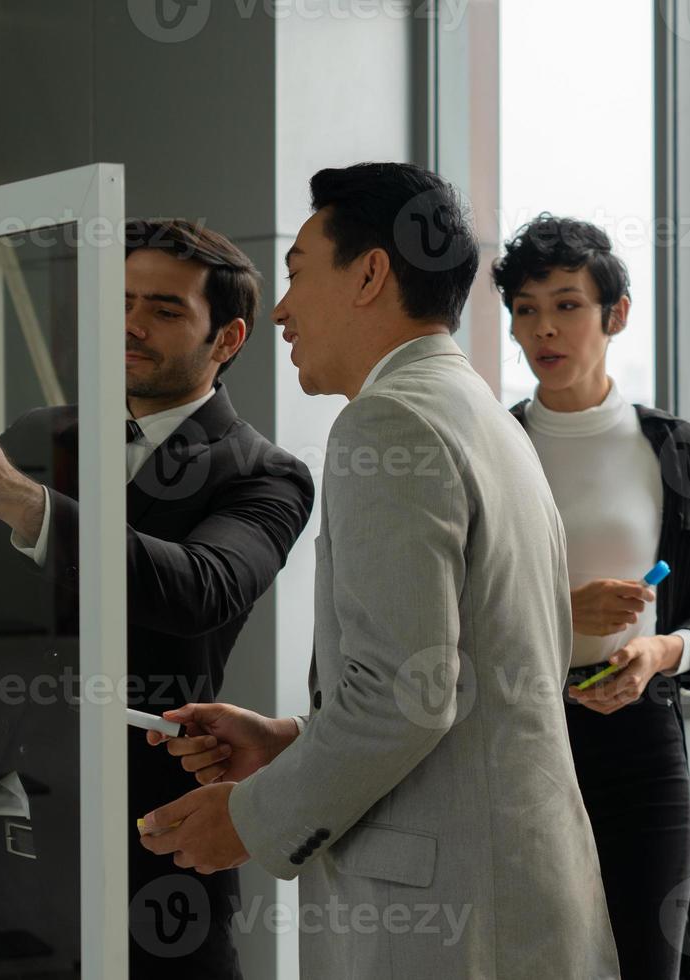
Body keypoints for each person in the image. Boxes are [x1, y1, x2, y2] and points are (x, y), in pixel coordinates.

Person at [139, 163, 619, 979]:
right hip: (511, 896)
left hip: (447, 922)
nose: (282, 310)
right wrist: (292, 741)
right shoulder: (477, 412)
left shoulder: (387, 422)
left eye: (295, 274)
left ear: (369, 273)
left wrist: (250, 818)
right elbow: (458, 684)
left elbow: (405, 699)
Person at [0, 219, 315, 979]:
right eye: (124, 301)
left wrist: (31, 506)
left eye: (165, 310)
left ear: (227, 339)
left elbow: (202, 588)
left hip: (145, 845)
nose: (132, 324)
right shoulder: (40, 434)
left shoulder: (265, 473)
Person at [491, 214, 690, 979]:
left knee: (650, 960)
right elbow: (452, 618)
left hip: (640, 744)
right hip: (517, 736)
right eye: (525, 310)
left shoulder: (674, 450)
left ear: (616, 315)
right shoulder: (493, 447)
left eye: (566, 305)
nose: (543, 330)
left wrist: (662, 650)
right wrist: (563, 620)